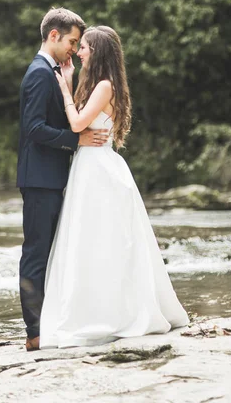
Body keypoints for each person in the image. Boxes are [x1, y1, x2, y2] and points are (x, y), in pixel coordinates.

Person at [39, 26, 189, 349]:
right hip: (89, 166)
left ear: (98, 52)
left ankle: (113, 312)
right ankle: (95, 306)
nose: (79, 52)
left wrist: (64, 89)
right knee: (91, 241)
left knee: (104, 241)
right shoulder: (95, 84)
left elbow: (78, 124)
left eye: (85, 47)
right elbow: (79, 123)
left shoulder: (105, 86)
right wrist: (72, 84)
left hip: (98, 170)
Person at [17, 9, 109, 352]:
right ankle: (34, 332)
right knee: (37, 254)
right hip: (40, 179)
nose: (74, 48)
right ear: (53, 36)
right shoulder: (39, 74)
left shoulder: (54, 72)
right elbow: (35, 129)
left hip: (51, 177)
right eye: (72, 41)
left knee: (52, 253)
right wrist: (78, 141)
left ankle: (50, 324)